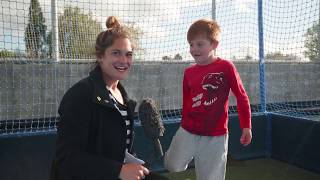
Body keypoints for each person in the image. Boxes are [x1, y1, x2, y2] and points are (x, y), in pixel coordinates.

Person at [50, 16, 168, 180]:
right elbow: (67, 160)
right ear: (100, 56)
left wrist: (131, 163)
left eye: (129, 54)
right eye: (116, 53)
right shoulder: (80, 95)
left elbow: (118, 149)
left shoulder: (124, 98)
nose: (124, 60)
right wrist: (118, 170)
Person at [164, 18, 252, 180]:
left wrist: (246, 125)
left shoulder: (226, 66)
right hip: (188, 130)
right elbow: (187, 101)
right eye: (191, 44)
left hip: (215, 135)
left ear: (214, 44)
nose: (193, 49)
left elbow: (241, 96)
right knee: (172, 165)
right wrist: (182, 126)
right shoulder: (189, 72)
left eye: (199, 44)